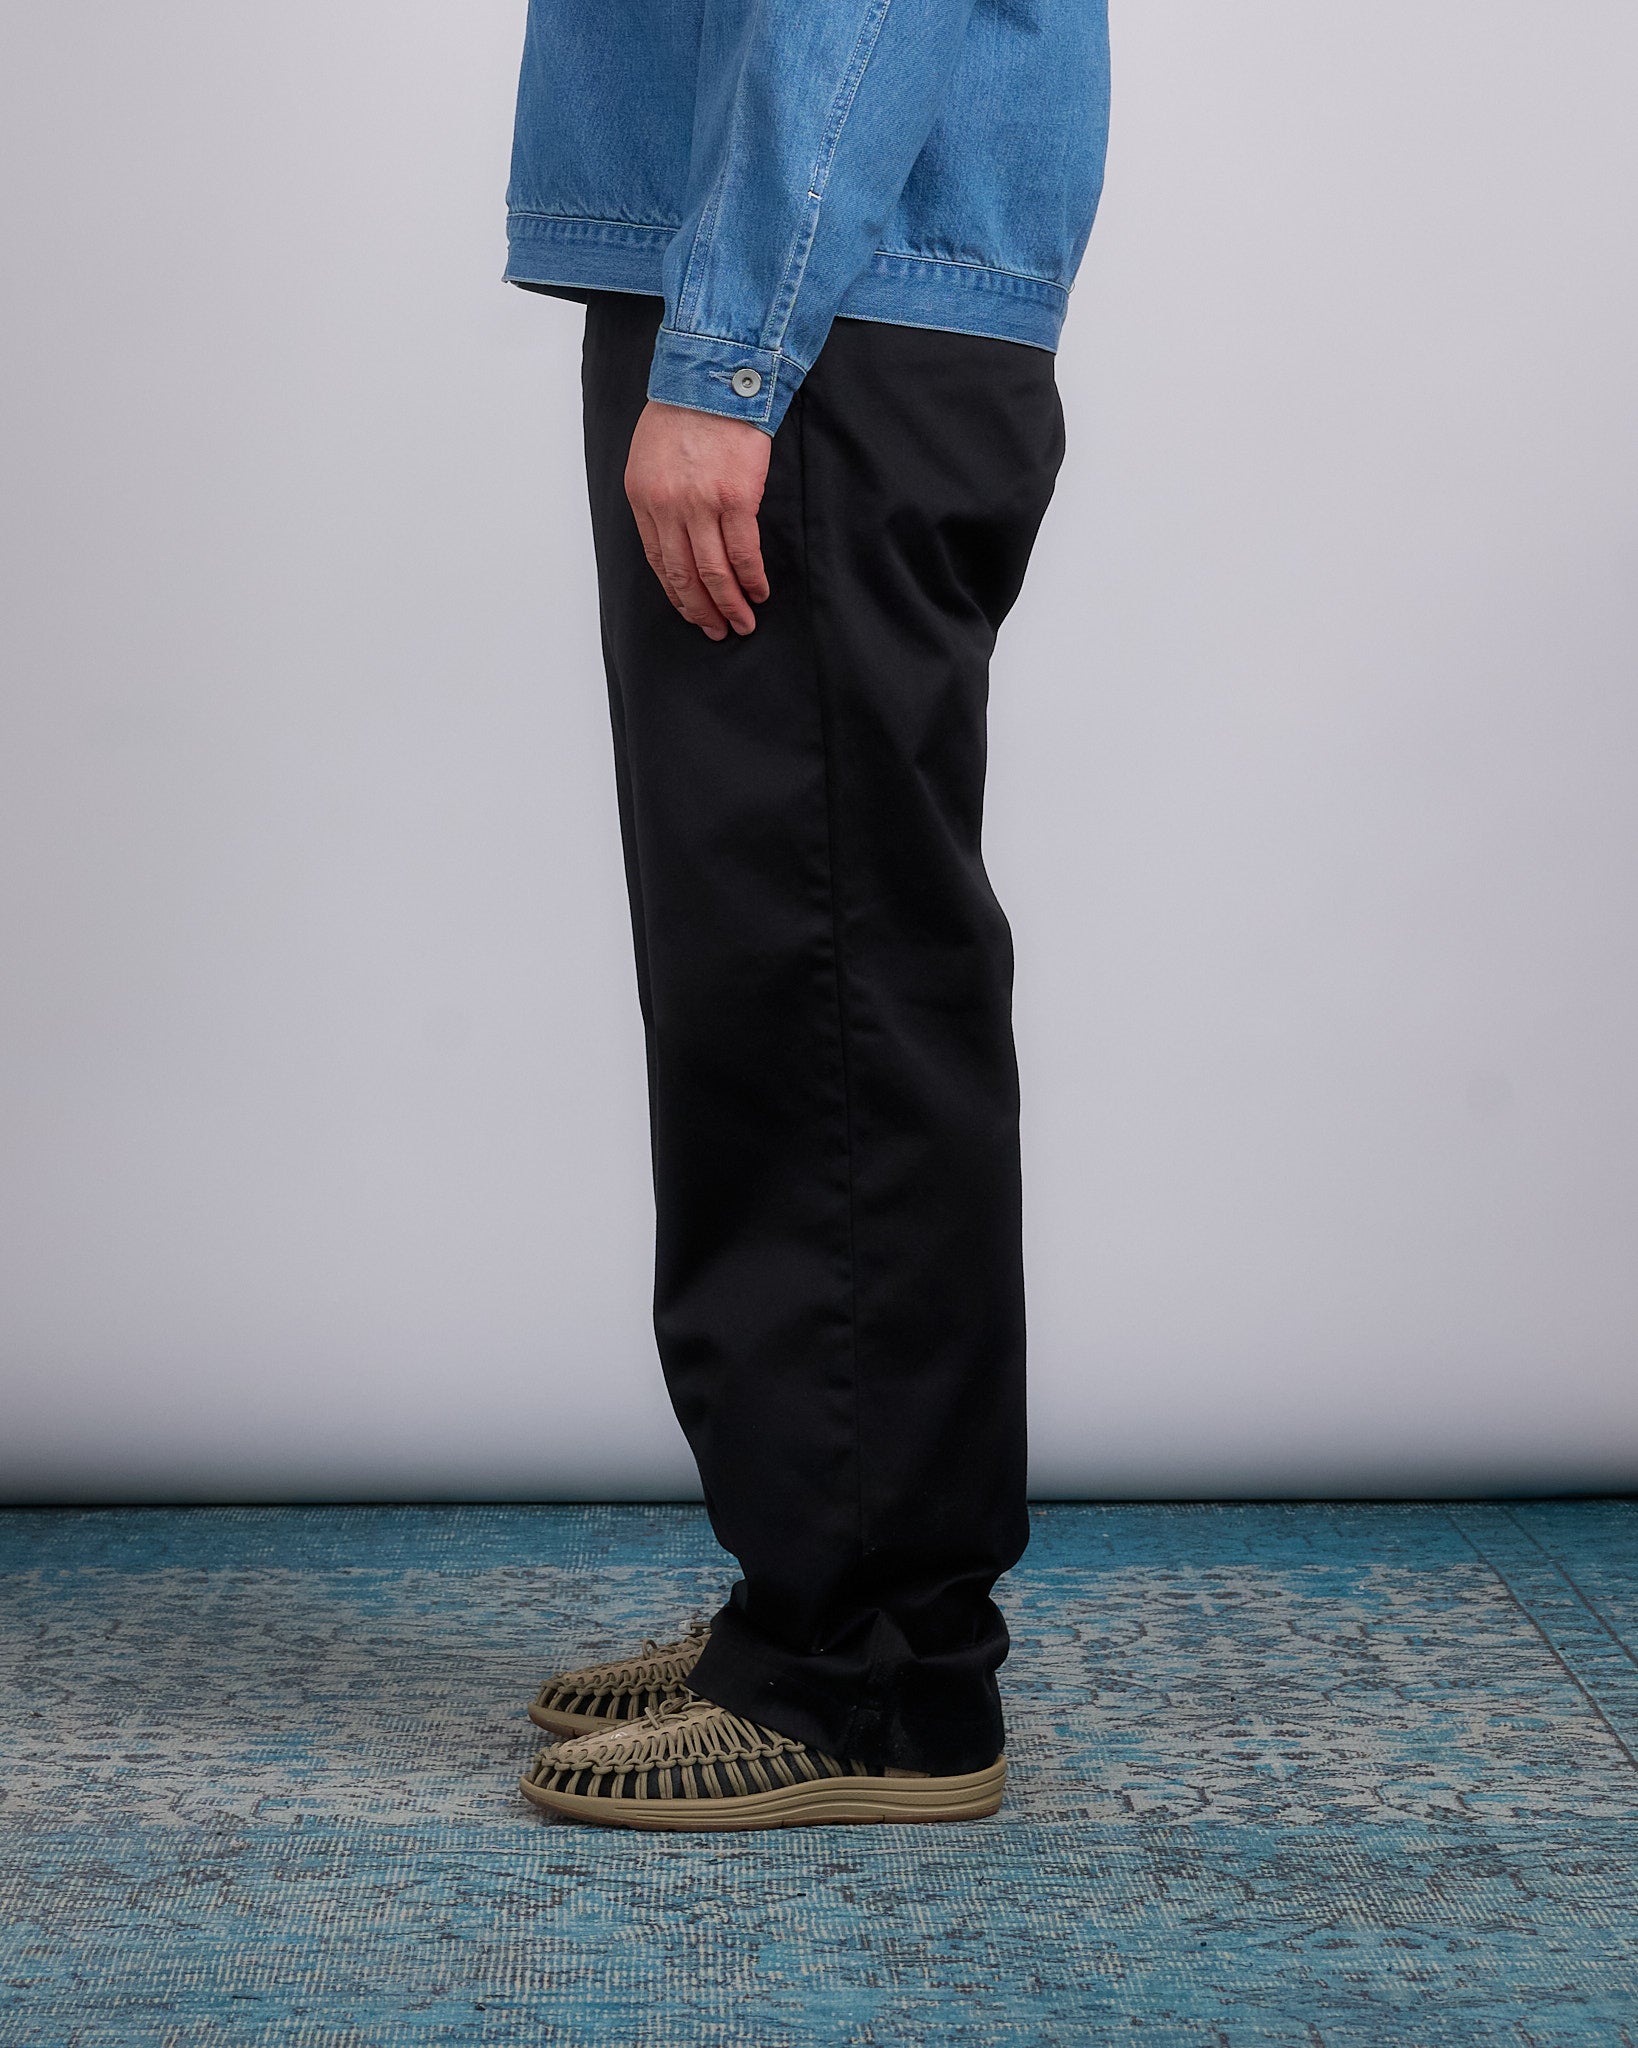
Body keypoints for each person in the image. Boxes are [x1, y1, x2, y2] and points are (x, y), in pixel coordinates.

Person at [507, 0, 1111, 1831]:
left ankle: (871, 1672)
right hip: (803, 293)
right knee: (778, 976)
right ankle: (818, 1599)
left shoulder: (767, 338)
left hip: (817, 320)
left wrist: (730, 355)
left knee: (821, 985)